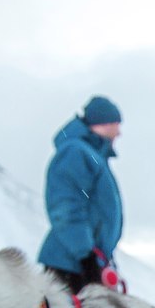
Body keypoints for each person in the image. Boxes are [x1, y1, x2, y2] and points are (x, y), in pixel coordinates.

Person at [38, 96, 125, 293]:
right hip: (72, 264)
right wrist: (85, 255)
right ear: (102, 123)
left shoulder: (92, 155)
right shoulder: (76, 152)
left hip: (88, 263)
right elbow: (66, 206)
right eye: (116, 124)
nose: (119, 132)